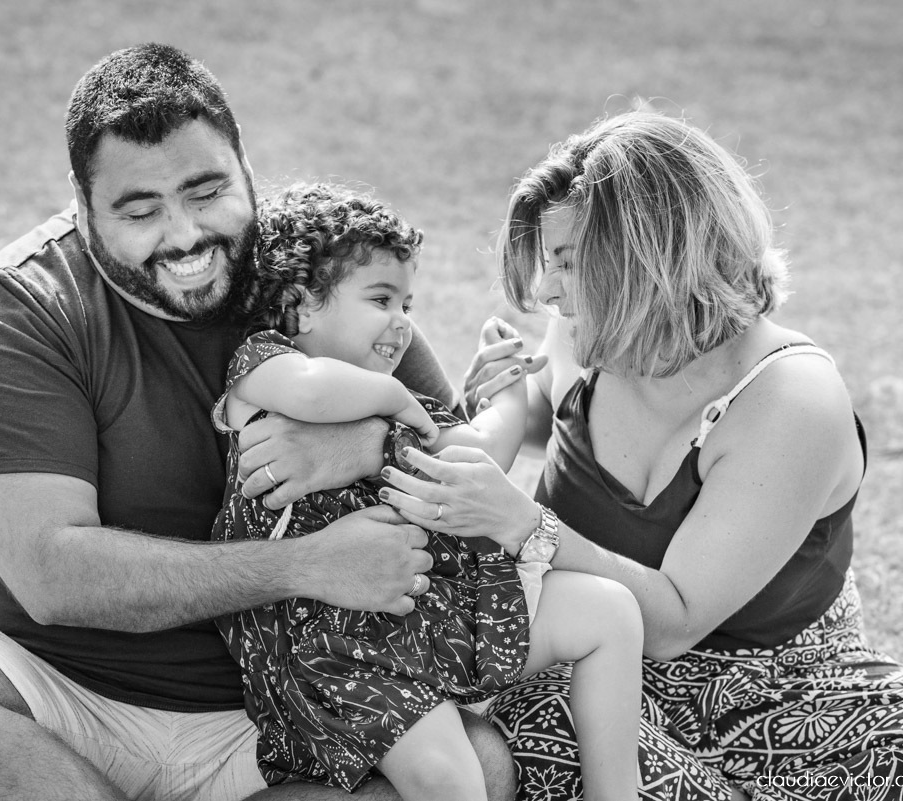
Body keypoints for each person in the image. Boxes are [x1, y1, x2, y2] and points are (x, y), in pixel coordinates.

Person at [0, 44, 518, 801]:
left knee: (480, 763)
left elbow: (463, 470)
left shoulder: (315, 275)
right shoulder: (13, 318)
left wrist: (364, 443)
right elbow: (52, 572)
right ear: (81, 201)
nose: (185, 235)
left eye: (207, 192)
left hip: (278, 712)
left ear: (246, 167)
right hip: (67, 700)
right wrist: (302, 562)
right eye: (139, 210)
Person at [377, 111, 903, 800]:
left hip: (787, 697)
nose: (545, 291)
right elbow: (550, 415)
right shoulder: (585, 336)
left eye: (568, 263)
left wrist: (523, 524)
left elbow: (677, 620)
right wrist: (506, 403)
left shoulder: (790, 399)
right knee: (548, 735)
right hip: (599, 670)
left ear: (650, 259)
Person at [215, 182, 643, 801]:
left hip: (426, 618)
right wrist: (396, 399)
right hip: (335, 655)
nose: (403, 325)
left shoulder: (395, 405)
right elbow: (310, 393)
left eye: (408, 305)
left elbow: (474, 457)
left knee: (610, 610)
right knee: (454, 779)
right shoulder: (265, 367)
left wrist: (509, 394)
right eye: (382, 299)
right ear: (300, 305)